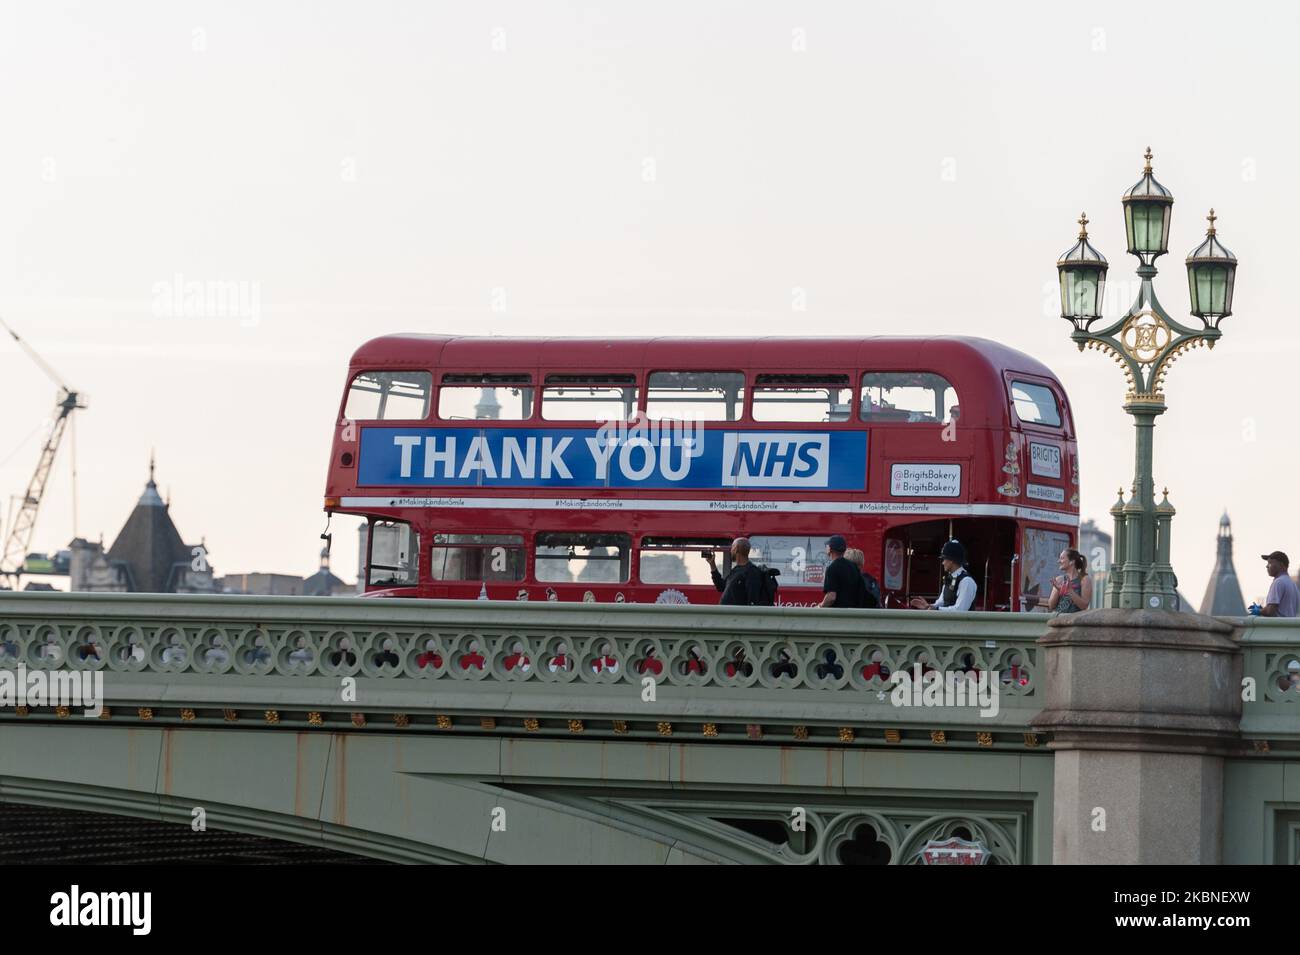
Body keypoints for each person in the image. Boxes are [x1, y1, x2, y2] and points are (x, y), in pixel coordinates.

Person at [910, 539, 977, 611]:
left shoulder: (967, 581)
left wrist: (936, 609)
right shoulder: (950, 578)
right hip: (949, 622)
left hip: (961, 622)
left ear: (951, 560)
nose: (943, 563)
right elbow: (941, 602)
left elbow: (960, 610)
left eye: (944, 559)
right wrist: (929, 606)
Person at [703, 538, 764, 606]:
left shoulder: (752, 572)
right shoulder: (736, 570)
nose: (730, 551)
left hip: (737, 615)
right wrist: (712, 564)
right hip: (728, 614)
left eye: (732, 547)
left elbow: (752, 601)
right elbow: (721, 586)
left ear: (736, 549)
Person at [820, 535, 864, 608]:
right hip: (853, 612)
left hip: (838, 614)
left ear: (830, 549)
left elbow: (831, 597)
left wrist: (820, 606)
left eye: (827, 546)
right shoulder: (853, 566)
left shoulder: (831, 568)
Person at [1047, 548, 1092, 614]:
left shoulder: (1084, 579)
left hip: (1073, 622)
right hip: (1057, 620)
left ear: (1071, 562)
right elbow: (1051, 606)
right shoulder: (1059, 580)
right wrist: (1058, 590)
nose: (1058, 561)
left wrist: (1069, 591)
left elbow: (1084, 606)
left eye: (1062, 558)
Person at [1258, 551, 1299, 618]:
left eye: (1270, 563)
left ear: (1281, 564)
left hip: (1278, 627)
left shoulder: (1278, 582)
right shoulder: (1292, 583)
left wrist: (1258, 611)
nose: (1267, 566)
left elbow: (1270, 611)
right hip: (1289, 627)